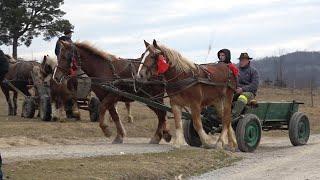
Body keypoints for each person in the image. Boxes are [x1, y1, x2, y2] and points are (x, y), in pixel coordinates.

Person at [232, 52, 259, 118]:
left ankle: (233, 116)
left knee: (242, 97)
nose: (241, 62)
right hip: (236, 91)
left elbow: (254, 85)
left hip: (249, 93)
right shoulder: (236, 70)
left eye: (243, 60)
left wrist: (242, 89)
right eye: (241, 60)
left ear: (248, 61)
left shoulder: (253, 71)